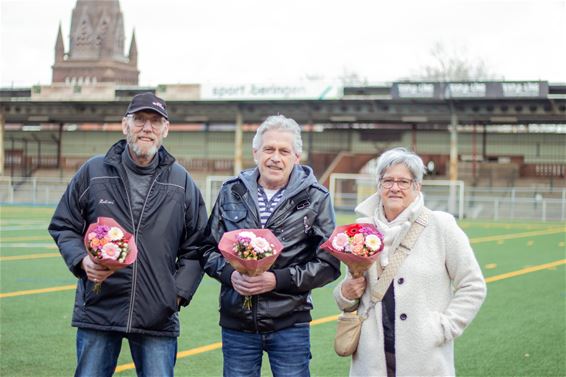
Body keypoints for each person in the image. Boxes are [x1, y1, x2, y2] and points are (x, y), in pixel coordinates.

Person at [48, 92, 211, 377]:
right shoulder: (93, 171)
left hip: (157, 314)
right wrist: (81, 262)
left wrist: (176, 294)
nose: (147, 128)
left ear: (165, 130)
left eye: (155, 121)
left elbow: (198, 244)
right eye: (139, 120)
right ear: (125, 125)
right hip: (99, 306)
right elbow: (64, 224)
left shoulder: (181, 180)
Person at [203, 115, 341, 377]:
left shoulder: (316, 198)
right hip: (237, 323)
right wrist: (230, 275)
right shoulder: (230, 191)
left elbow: (329, 264)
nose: (275, 157)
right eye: (269, 149)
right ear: (255, 153)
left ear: (296, 157)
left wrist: (276, 280)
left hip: (291, 323)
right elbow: (207, 250)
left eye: (284, 151)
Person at [334, 147, 486, 377]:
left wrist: (443, 328)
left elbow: (473, 285)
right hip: (372, 357)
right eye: (388, 181)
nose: (395, 187)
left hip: (425, 357)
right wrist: (345, 292)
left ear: (417, 186)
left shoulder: (440, 226)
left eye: (403, 181)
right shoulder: (362, 230)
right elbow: (350, 296)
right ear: (379, 186)